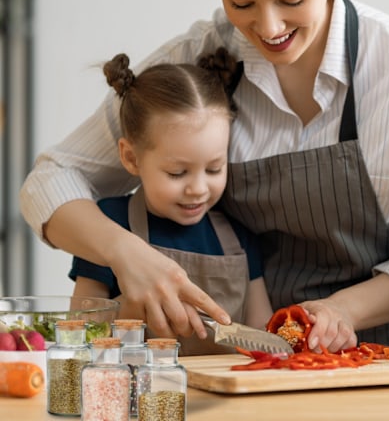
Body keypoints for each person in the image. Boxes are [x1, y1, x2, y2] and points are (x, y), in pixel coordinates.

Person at [20, 0, 389, 355]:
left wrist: (342, 311)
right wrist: (125, 253)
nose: (267, 27)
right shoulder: (197, 59)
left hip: (383, 363)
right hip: (237, 366)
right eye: (240, 2)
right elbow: (51, 179)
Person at [70, 48, 273, 354]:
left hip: (229, 401)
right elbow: (79, 332)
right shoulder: (110, 224)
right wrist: (134, 307)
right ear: (131, 157)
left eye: (214, 168)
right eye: (178, 173)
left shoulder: (238, 237)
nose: (198, 189)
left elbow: (263, 334)